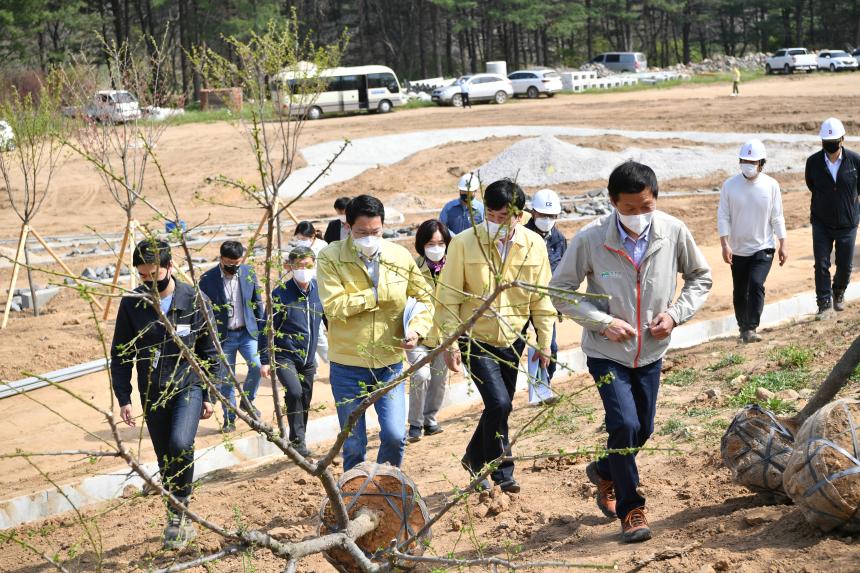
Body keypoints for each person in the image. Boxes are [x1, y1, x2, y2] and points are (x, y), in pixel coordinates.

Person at [549, 161, 712, 543]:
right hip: (607, 352)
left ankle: (605, 470)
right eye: (629, 208)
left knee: (644, 428)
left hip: (651, 350)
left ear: (655, 199)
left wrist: (675, 315)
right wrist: (601, 322)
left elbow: (700, 277)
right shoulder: (591, 239)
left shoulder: (673, 231)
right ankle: (631, 510)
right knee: (624, 425)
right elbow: (560, 291)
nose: (639, 215)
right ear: (613, 202)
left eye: (646, 206)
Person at [435, 179, 556, 493]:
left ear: (519, 216)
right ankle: (501, 470)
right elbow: (448, 297)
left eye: (503, 217)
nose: (496, 223)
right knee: (500, 403)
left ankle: (474, 457)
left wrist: (544, 341)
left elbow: (541, 298)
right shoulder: (464, 243)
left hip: (513, 337)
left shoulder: (534, 245)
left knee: (500, 406)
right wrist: (450, 342)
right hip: (475, 338)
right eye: (491, 215)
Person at [110, 239, 218, 550]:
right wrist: (124, 397)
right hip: (153, 391)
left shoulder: (194, 300)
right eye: (142, 275)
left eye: (153, 274)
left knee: (180, 443)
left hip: (188, 386)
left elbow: (210, 350)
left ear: (170, 267)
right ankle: (175, 514)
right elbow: (121, 354)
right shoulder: (133, 304)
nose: (148, 281)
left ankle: (181, 510)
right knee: (165, 456)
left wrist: (210, 394)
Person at [317, 194, 434, 470]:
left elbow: (424, 298)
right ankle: (354, 491)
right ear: (348, 227)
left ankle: (385, 484)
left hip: (388, 363)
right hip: (347, 364)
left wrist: (416, 330)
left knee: (395, 436)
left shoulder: (399, 256)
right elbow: (333, 306)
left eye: (376, 232)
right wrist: (375, 295)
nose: (369, 238)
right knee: (354, 443)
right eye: (362, 232)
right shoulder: (331, 257)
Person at [718, 140, 788, 343]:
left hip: (763, 246)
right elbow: (723, 216)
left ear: (762, 164)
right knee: (740, 291)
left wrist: (783, 243)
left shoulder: (771, 185)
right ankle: (743, 328)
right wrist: (724, 244)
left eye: (752, 161)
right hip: (738, 249)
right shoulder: (729, 186)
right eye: (744, 161)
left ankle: (751, 327)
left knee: (756, 283)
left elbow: (777, 217)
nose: (748, 165)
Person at [259, 246, 322, 457]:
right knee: (294, 392)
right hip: (285, 355)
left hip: (308, 357)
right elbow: (267, 328)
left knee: (305, 397)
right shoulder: (280, 294)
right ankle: (297, 441)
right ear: (290, 267)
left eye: (308, 265)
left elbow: (328, 319)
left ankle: (299, 437)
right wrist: (265, 359)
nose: (304, 269)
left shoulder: (319, 290)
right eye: (299, 266)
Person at [198, 241, 266, 432]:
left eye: (237, 263)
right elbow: (202, 311)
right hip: (223, 337)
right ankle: (230, 418)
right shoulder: (207, 279)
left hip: (247, 333)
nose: (233, 267)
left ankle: (247, 401)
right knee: (227, 379)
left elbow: (257, 303)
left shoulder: (248, 272)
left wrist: (261, 330)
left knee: (257, 366)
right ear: (221, 259)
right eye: (229, 263)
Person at [805, 117, 860, 319]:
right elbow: (812, 185)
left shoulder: (855, 161)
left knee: (845, 266)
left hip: (848, 223)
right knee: (821, 263)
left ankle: (839, 291)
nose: (830, 144)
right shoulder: (813, 162)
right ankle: (824, 304)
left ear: (842, 139)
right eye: (827, 141)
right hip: (821, 222)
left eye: (834, 141)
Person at [406, 219, 451, 443]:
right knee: (421, 375)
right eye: (430, 244)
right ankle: (415, 423)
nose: (436, 248)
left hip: (444, 335)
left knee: (439, 379)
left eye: (441, 243)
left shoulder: (453, 267)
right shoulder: (412, 268)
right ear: (422, 245)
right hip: (418, 335)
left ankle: (430, 419)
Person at [522, 188, 567, 386]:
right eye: (542, 215)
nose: (547, 220)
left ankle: (544, 386)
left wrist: (559, 304)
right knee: (515, 344)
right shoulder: (521, 235)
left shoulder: (559, 240)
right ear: (533, 212)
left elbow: (562, 273)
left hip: (546, 302)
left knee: (550, 347)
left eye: (551, 216)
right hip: (521, 300)